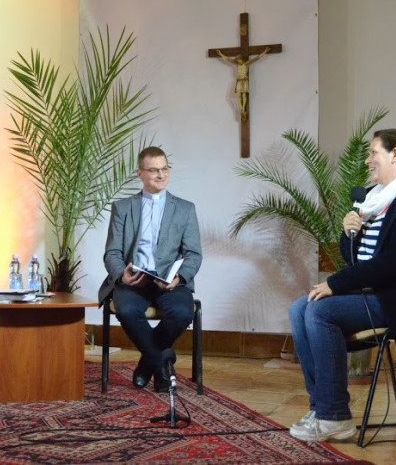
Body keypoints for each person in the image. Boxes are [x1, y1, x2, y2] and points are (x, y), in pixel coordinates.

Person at [288, 129, 396, 442]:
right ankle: (322, 408)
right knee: (300, 308)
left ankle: (334, 415)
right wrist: (349, 232)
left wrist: (335, 284)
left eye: (373, 152)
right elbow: (357, 261)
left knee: (320, 313)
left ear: (395, 154)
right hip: (380, 292)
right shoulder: (376, 200)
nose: (367, 160)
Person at [98, 146, 203, 392]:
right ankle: (163, 362)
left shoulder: (185, 208)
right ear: (140, 174)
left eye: (164, 169)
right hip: (134, 279)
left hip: (170, 281)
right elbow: (112, 252)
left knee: (182, 312)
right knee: (126, 309)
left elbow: (193, 254)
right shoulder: (123, 208)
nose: (161, 175)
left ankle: (148, 365)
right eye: (154, 170)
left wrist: (179, 278)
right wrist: (121, 275)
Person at [216, 47, 269, 120]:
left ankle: (243, 109)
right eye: (237, 60)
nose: (238, 61)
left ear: (241, 59)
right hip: (239, 80)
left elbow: (257, 58)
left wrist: (265, 51)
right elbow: (228, 59)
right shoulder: (237, 64)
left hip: (244, 80)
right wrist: (221, 54)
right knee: (238, 94)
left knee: (244, 94)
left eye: (238, 60)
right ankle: (241, 109)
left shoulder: (246, 64)